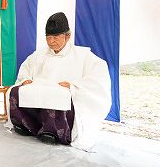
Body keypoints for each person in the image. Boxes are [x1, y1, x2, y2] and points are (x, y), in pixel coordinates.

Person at [9, 12, 111, 151]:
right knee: (16, 91)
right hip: (40, 87)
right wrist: (26, 79)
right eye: (48, 37)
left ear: (67, 36)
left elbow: (99, 73)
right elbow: (26, 67)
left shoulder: (82, 54)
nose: (51, 41)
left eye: (55, 37)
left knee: (56, 95)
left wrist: (74, 85)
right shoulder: (39, 54)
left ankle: (52, 132)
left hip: (61, 93)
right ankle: (25, 125)